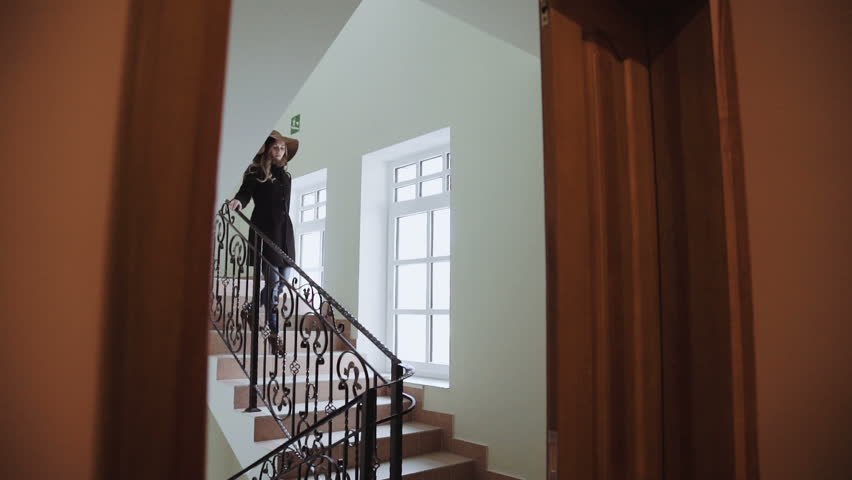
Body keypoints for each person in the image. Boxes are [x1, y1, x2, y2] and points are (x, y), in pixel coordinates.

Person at [229, 130, 298, 354]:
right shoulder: (255, 171)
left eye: (282, 148)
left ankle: (251, 308)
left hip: (285, 234)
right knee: (273, 283)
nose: (279, 151)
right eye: (275, 147)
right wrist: (239, 201)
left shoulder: (286, 177)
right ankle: (274, 333)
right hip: (266, 232)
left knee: (283, 282)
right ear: (268, 149)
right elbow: (245, 192)